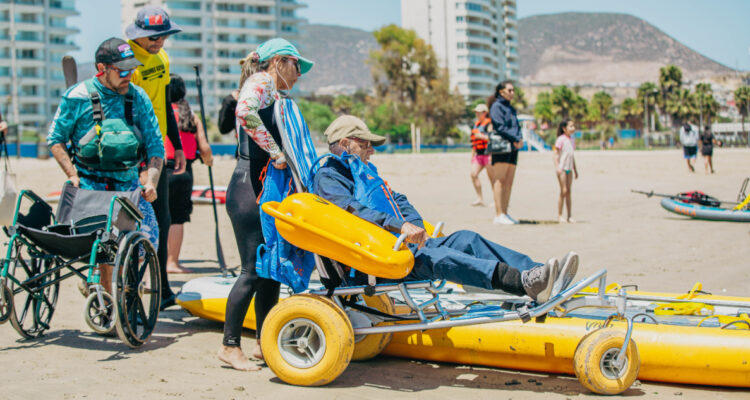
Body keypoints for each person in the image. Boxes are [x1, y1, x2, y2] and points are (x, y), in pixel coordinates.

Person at [313, 115, 579, 304]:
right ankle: (522, 282)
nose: (371, 151)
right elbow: (354, 212)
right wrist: (400, 227)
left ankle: (540, 273)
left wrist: (413, 226)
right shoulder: (329, 178)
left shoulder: (363, 171)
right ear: (346, 143)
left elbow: (399, 200)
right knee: (438, 259)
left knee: (466, 238)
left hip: (401, 246)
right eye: (365, 144)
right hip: (376, 262)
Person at [218, 38, 313, 372]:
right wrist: (275, 152)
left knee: (270, 269)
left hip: (262, 190)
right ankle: (229, 347)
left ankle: (263, 341)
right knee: (252, 269)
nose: (299, 73)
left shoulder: (274, 92)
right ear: (278, 62)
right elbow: (243, 112)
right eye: (296, 65)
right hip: (248, 189)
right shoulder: (260, 82)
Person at [46, 37, 164, 293]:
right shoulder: (76, 96)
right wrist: (72, 175)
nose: (129, 75)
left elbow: (155, 145)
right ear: (102, 67)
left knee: (149, 243)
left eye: (132, 69)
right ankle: (106, 294)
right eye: (122, 70)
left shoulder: (138, 97)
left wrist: (151, 181)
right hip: (90, 186)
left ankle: (125, 283)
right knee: (103, 247)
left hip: (129, 184)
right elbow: (55, 140)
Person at [125, 5, 186, 309]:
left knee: (162, 218)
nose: (159, 40)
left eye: (163, 34)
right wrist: (137, 155)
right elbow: (126, 114)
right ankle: (131, 289)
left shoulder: (162, 57)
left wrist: (176, 145)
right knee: (136, 221)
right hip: (135, 152)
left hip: (157, 152)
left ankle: (161, 288)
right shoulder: (129, 62)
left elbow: (164, 104)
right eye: (152, 36)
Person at [165, 74, 214, 273]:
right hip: (185, 173)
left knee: (159, 216)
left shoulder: (161, 113)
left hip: (162, 169)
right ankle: (172, 262)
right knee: (177, 218)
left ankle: (154, 260)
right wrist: (208, 161)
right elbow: (205, 148)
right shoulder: (191, 117)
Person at [488, 81, 523, 225]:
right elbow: (499, 126)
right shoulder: (496, 106)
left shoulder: (511, 108)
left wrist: (519, 139)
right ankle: (498, 214)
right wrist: (515, 138)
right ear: (501, 92)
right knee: (500, 180)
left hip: (513, 147)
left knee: (509, 182)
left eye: (513, 90)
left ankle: (505, 213)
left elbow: (516, 126)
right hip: (501, 146)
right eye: (510, 90)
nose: (512, 92)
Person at [553, 119, 578, 223]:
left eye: (573, 126)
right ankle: (559, 215)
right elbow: (555, 154)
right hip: (562, 168)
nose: (573, 128)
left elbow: (572, 155)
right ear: (564, 128)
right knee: (563, 191)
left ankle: (569, 216)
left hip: (569, 168)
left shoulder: (572, 139)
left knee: (569, 191)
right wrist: (557, 167)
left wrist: (575, 169)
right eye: (570, 126)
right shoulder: (560, 139)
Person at [469, 103, 492, 207]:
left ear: (485, 113)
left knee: (492, 178)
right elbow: (474, 142)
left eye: (479, 112)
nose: (477, 114)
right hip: (478, 154)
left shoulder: (489, 124)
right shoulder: (477, 124)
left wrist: (481, 136)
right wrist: (472, 155)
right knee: (473, 174)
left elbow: (493, 139)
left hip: (489, 154)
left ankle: (496, 200)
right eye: (476, 112)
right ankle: (480, 198)